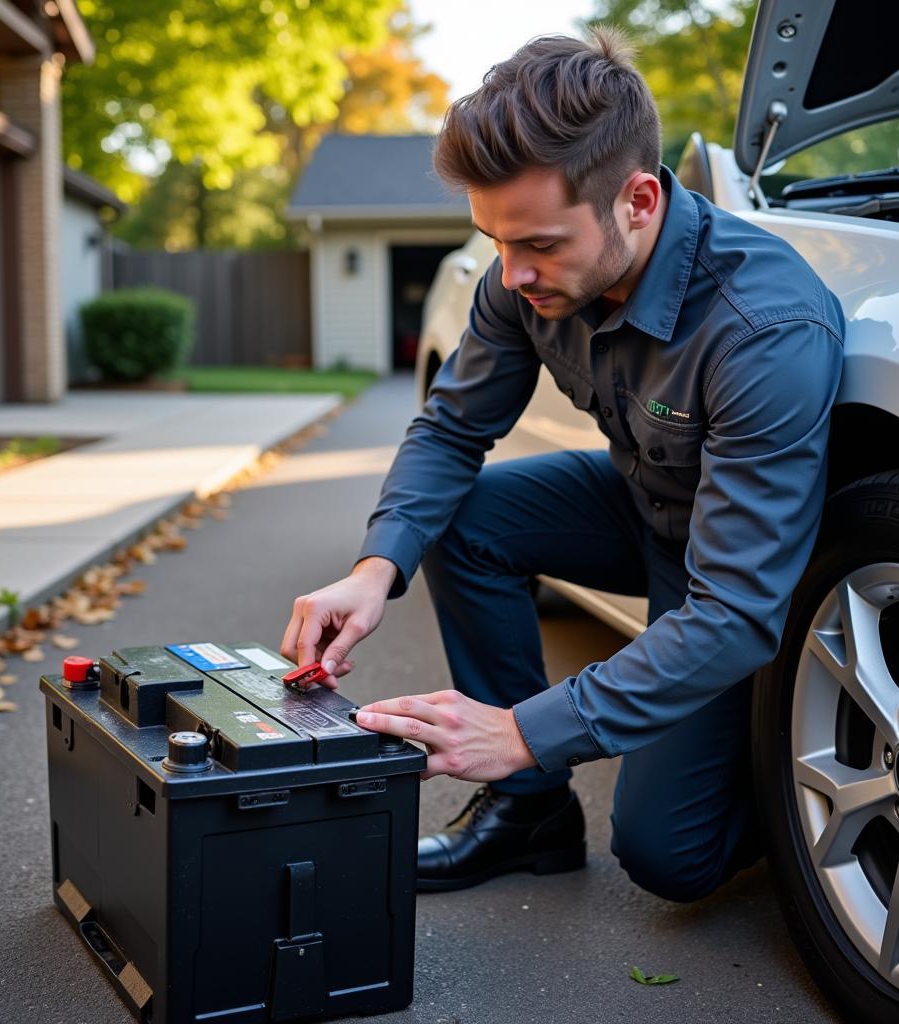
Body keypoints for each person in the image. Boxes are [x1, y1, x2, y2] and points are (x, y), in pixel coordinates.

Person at [281, 28, 845, 901]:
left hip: (743, 577)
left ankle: (760, 759)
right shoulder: (519, 276)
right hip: (644, 507)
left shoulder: (762, 330)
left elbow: (733, 610)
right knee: (459, 520)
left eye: (540, 245)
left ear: (639, 201)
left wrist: (519, 729)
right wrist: (372, 567)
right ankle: (531, 813)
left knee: (667, 858)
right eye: (494, 242)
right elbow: (451, 430)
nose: (512, 273)